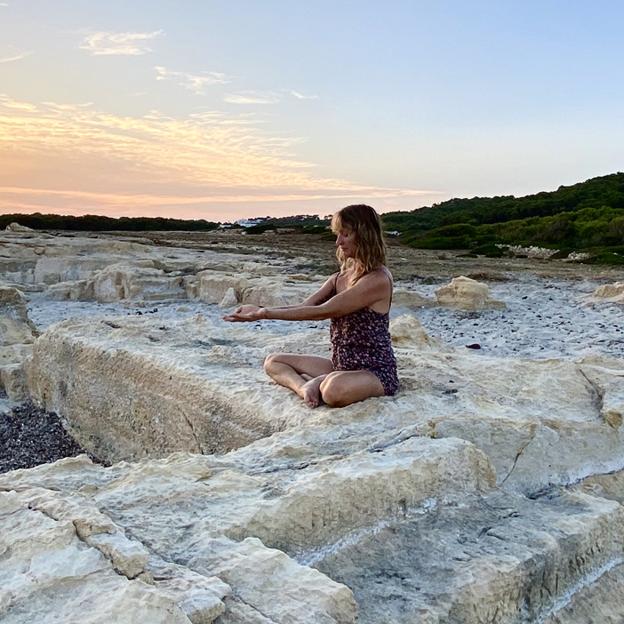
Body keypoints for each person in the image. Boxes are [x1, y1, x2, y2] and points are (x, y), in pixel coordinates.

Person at [224, 204, 399, 408]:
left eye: (346, 234)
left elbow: (324, 311)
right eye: (337, 234)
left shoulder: (378, 279)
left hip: (374, 372)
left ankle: (319, 382)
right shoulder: (339, 277)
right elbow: (306, 306)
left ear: (364, 235)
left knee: (333, 391)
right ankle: (304, 388)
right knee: (273, 361)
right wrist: (258, 309)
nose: (338, 242)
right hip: (340, 366)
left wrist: (264, 314)